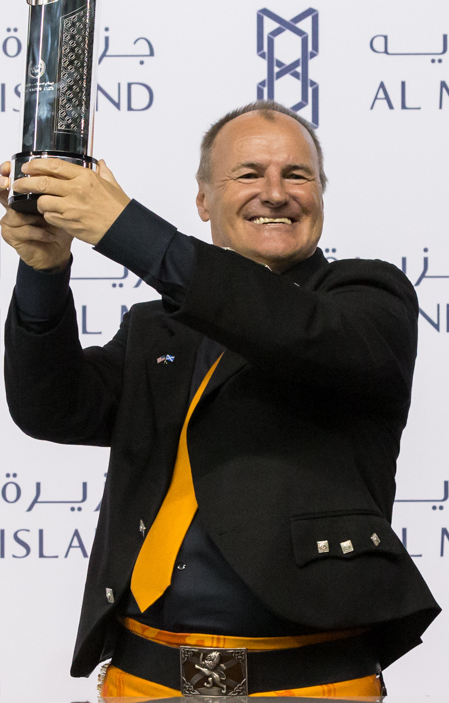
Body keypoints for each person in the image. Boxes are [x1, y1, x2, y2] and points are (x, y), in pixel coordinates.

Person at [0, 101, 440, 698]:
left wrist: (126, 227)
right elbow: (50, 405)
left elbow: (288, 328)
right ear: (204, 201)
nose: (275, 192)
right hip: (142, 678)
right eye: (249, 174)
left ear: (321, 195)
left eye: (297, 175)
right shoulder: (160, 327)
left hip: (312, 686)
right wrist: (43, 271)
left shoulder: (366, 298)